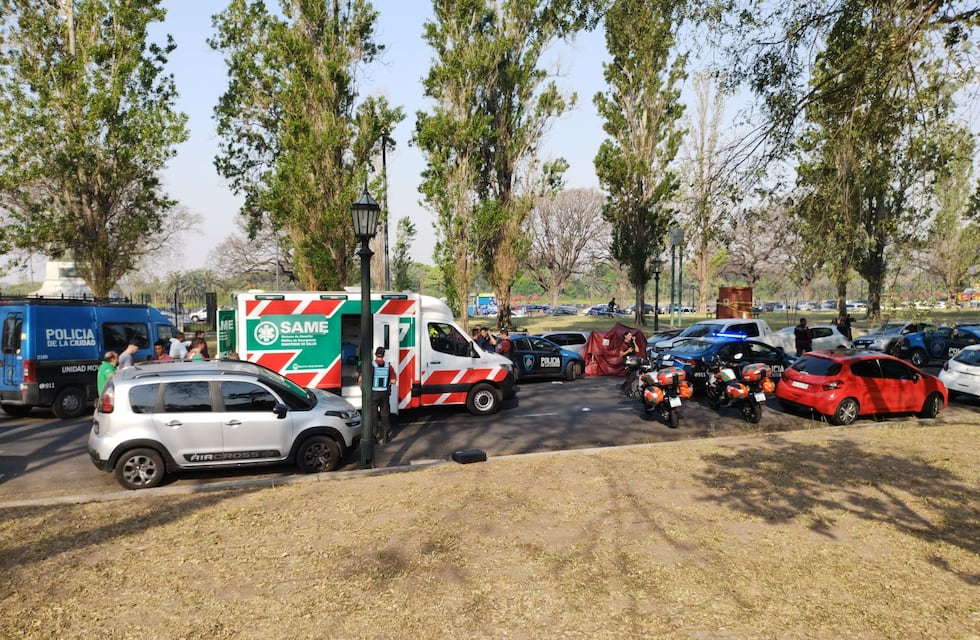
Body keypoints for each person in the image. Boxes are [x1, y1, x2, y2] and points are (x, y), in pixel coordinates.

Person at [369, 346, 397, 444]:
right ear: (384, 355)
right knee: (384, 414)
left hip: (373, 393)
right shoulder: (388, 366)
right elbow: (393, 381)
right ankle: (385, 437)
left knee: (374, 414)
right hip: (384, 393)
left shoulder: (371, 365)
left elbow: (361, 379)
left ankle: (374, 437)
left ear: (375, 354)